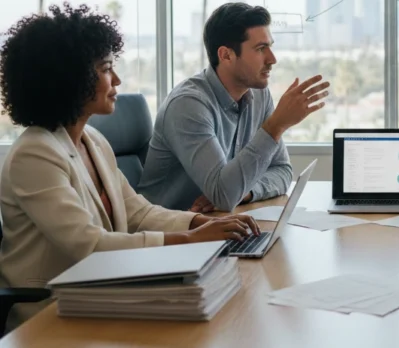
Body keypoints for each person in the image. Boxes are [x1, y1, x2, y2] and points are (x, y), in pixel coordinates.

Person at [0, 4, 259, 332]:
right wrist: (189, 239)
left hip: (100, 293)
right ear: (69, 77)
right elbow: (90, 246)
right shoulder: (35, 154)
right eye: (106, 68)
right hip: (48, 311)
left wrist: (200, 222)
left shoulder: (92, 140)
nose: (117, 79)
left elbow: (138, 213)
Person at [137, 3, 330, 213]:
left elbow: (282, 171)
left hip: (217, 225)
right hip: (170, 236)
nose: (272, 59)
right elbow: (224, 196)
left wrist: (246, 191)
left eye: (270, 46)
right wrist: (275, 126)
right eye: (260, 49)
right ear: (226, 55)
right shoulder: (188, 105)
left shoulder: (259, 95)